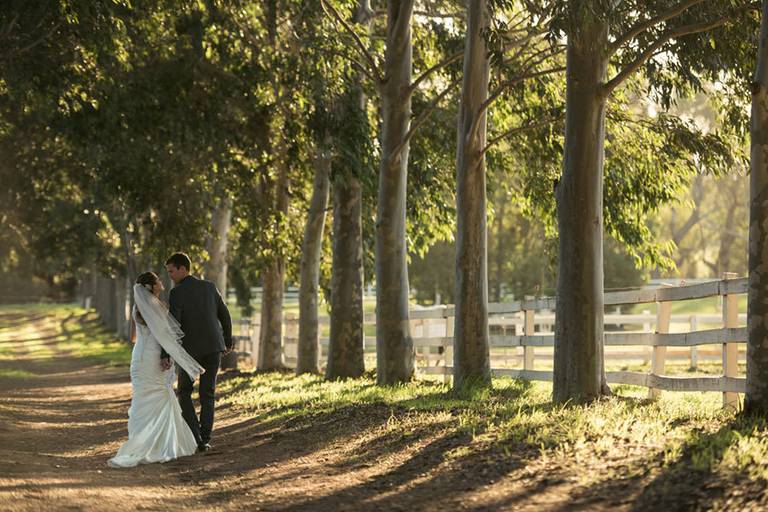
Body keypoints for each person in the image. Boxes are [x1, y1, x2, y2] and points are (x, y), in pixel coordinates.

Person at [108, 272, 204, 468]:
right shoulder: (155, 306)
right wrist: (167, 354)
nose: (162, 282)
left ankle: (143, 439)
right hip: (153, 356)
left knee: (143, 397)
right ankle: (159, 443)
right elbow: (163, 336)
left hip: (140, 356)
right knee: (159, 394)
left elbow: (136, 336)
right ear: (151, 287)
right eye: (158, 281)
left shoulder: (138, 307)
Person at [164, 252, 232, 452]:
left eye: (172, 271)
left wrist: (166, 353)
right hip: (213, 348)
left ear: (183, 269)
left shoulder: (177, 293)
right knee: (207, 393)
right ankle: (205, 437)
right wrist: (228, 339)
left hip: (189, 352)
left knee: (184, 392)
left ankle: (196, 435)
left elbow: (172, 325)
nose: (170, 276)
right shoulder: (209, 287)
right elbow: (225, 314)